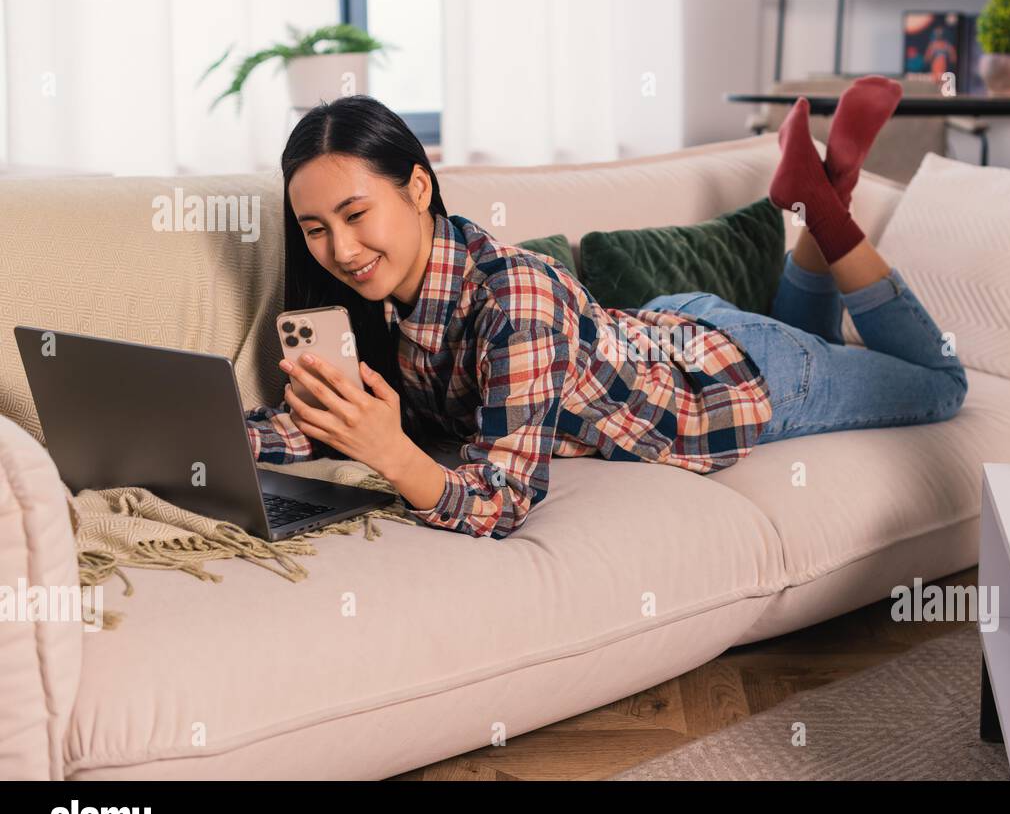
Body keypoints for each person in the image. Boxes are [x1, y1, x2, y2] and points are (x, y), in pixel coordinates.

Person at [246, 81, 966, 539]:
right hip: (668, 326)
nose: (340, 248)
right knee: (809, 333)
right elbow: (325, 425)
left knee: (939, 383)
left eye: (355, 213)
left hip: (737, 378)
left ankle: (832, 219)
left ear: (418, 189)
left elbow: (501, 501)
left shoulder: (512, 298)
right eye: (315, 229)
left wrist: (393, 454)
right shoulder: (382, 308)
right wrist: (190, 437)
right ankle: (821, 195)